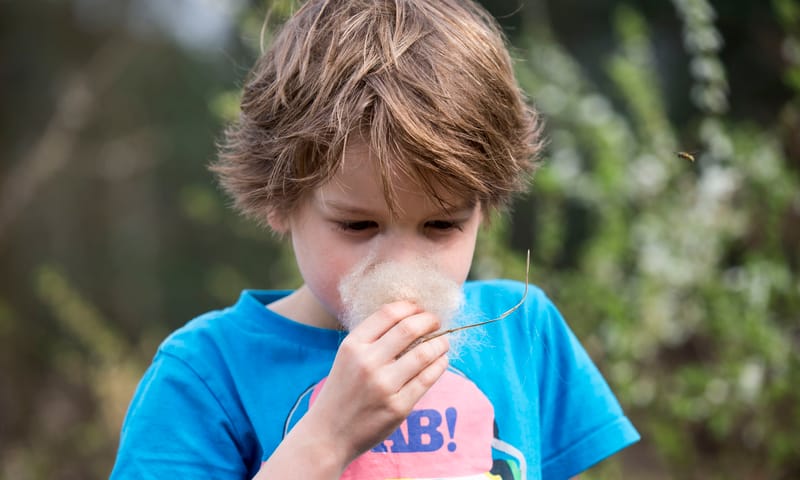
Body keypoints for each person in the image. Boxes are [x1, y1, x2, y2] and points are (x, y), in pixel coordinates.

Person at [110, 0, 640, 479]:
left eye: (441, 225)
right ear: (279, 201)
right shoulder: (206, 373)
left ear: (485, 208)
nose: (402, 267)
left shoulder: (526, 331)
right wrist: (326, 438)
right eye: (358, 226)